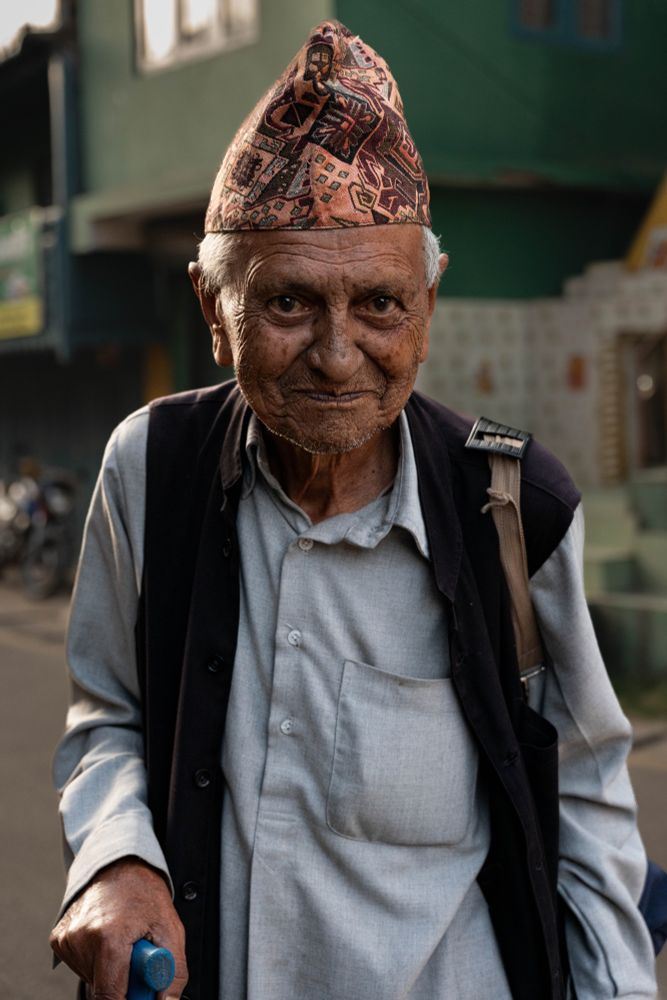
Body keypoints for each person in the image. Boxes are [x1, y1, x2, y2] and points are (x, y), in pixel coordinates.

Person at [50, 19, 657, 1000]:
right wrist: (118, 855)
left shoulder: (512, 505)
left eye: (379, 305)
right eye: (288, 304)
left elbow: (586, 801)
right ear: (213, 309)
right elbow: (106, 716)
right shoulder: (148, 469)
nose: (338, 356)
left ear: (429, 302)